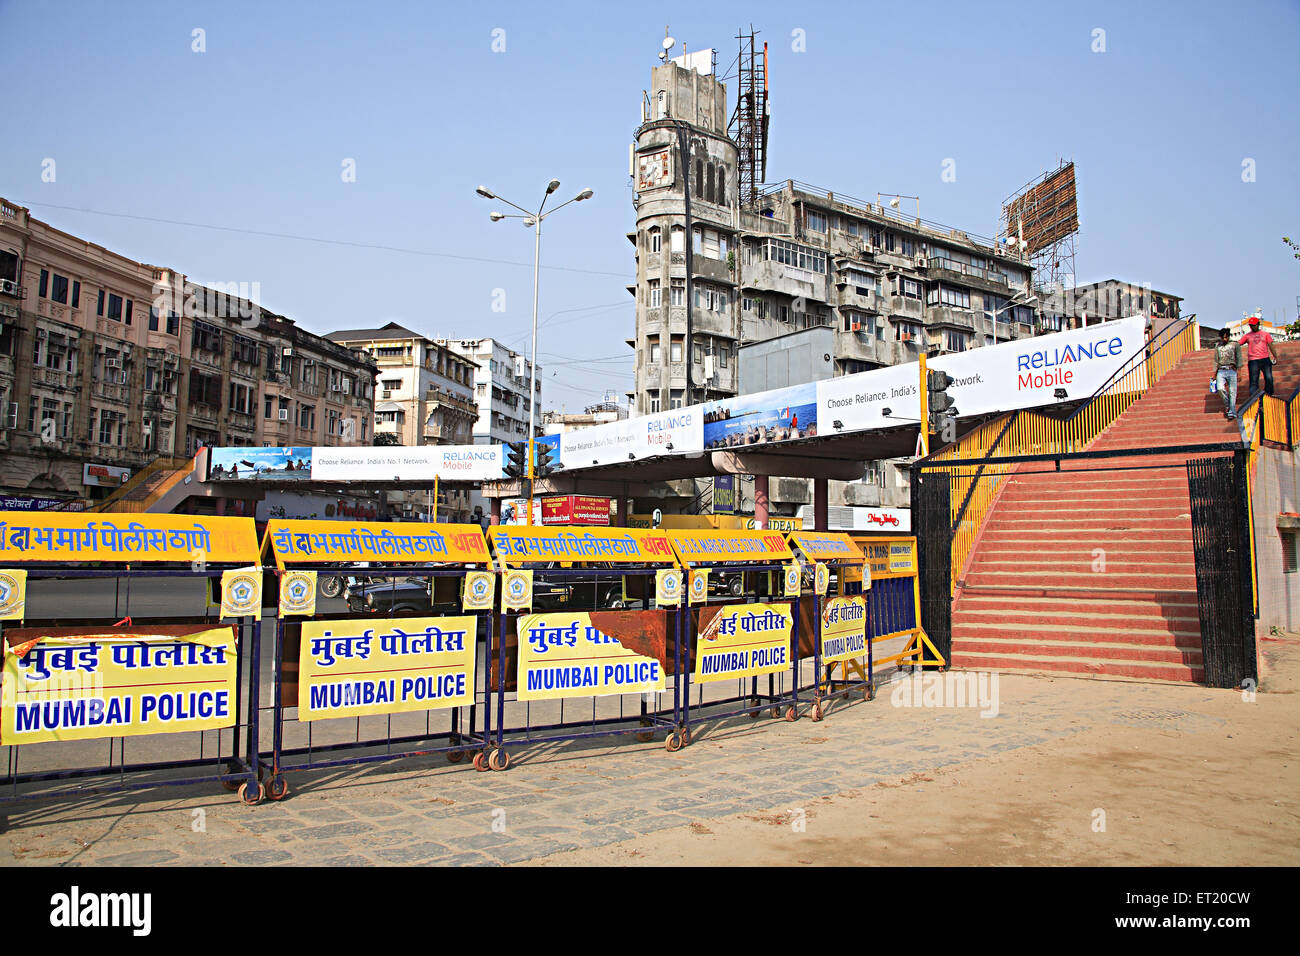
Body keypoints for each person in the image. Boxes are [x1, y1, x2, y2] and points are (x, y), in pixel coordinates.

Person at [1241, 316, 1280, 397]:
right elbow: (1239, 343)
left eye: (1254, 325)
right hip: (1253, 360)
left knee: (1269, 378)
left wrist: (1275, 356)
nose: (1252, 327)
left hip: (1265, 359)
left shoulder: (1265, 334)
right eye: (1251, 325)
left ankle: (1269, 395)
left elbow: (1271, 345)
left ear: (1258, 324)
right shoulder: (1247, 336)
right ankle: (1254, 398)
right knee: (1254, 381)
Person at [1214, 327, 1241, 419]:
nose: (1224, 339)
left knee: (1233, 391)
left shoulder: (1235, 345)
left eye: (1226, 337)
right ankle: (1228, 404)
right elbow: (1216, 360)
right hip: (1221, 370)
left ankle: (1232, 412)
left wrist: (1239, 372)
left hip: (1232, 369)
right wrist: (1214, 373)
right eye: (1223, 338)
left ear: (1229, 336)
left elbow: (1239, 358)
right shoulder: (1218, 346)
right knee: (1220, 388)